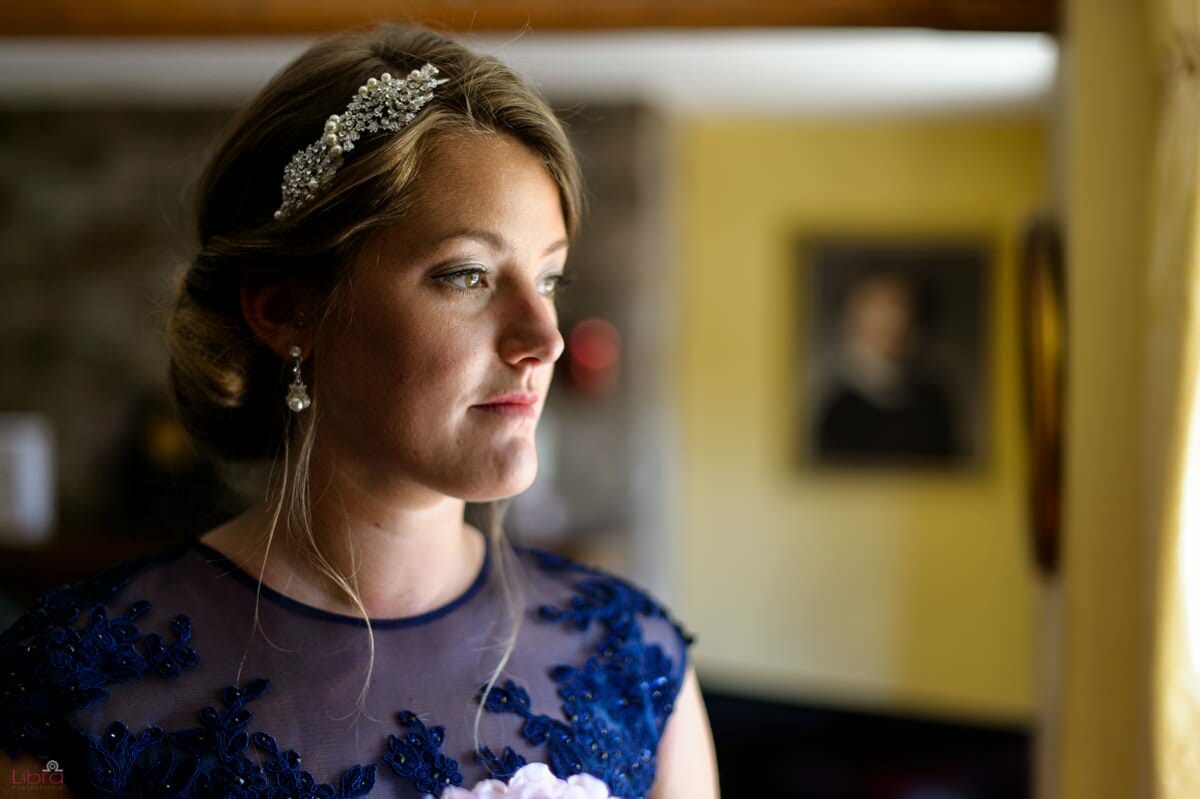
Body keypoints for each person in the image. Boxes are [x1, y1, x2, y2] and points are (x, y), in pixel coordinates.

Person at [0, 24, 718, 799]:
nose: (543, 338)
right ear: (284, 309)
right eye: (468, 275)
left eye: (549, 281)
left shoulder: (635, 667)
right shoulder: (67, 681)